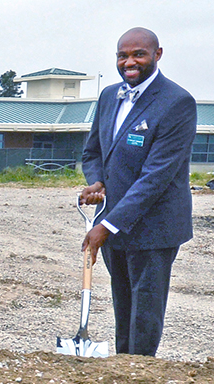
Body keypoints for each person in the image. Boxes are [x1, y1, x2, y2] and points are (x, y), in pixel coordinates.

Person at [79, 27, 194, 357]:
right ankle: (122, 367)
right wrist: (98, 180)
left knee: (145, 310)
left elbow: (155, 178)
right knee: (123, 301)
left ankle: (139, 372)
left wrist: (107, 225)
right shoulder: (108, 96)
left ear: (157, 55)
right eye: (122, 55)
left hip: (154, 228)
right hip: (115, 223)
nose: (129, 62)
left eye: (138, 54)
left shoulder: (177, 102)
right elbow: (94, 152)